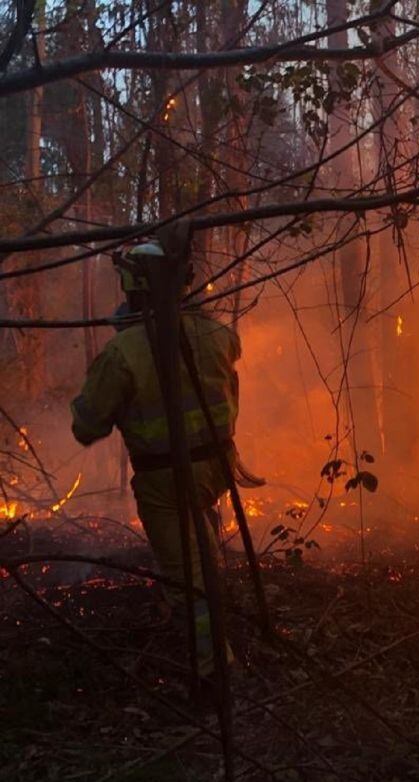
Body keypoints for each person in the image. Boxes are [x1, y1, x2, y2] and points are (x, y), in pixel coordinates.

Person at [70, 240, 240, 678]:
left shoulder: (122, 352)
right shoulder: (218, 334)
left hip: (165, 479)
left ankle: (213, 670)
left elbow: (87, 427)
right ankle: (212, 613)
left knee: (188, 579)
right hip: (218, 467)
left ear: (135, 289)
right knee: (199, 545)